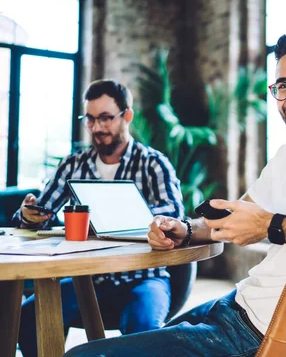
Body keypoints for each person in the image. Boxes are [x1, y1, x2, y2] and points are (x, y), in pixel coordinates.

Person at [65, 31, 286, 357]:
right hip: (235, 304)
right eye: (283, 86)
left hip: (260, 334)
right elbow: (236, 219)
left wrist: (272, 226)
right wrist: (184, 228)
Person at [14, 79, 185, 357]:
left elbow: (175, 216)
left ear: (126, 116)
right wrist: (29, 215)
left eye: (105, 118)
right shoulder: (74, 164)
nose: (97, 128)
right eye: (90, 119)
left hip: (143, 276)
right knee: (28, 316)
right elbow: (41, 213)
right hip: (88, 278)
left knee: (145, 334)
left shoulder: (154, 163)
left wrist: (128, 216)